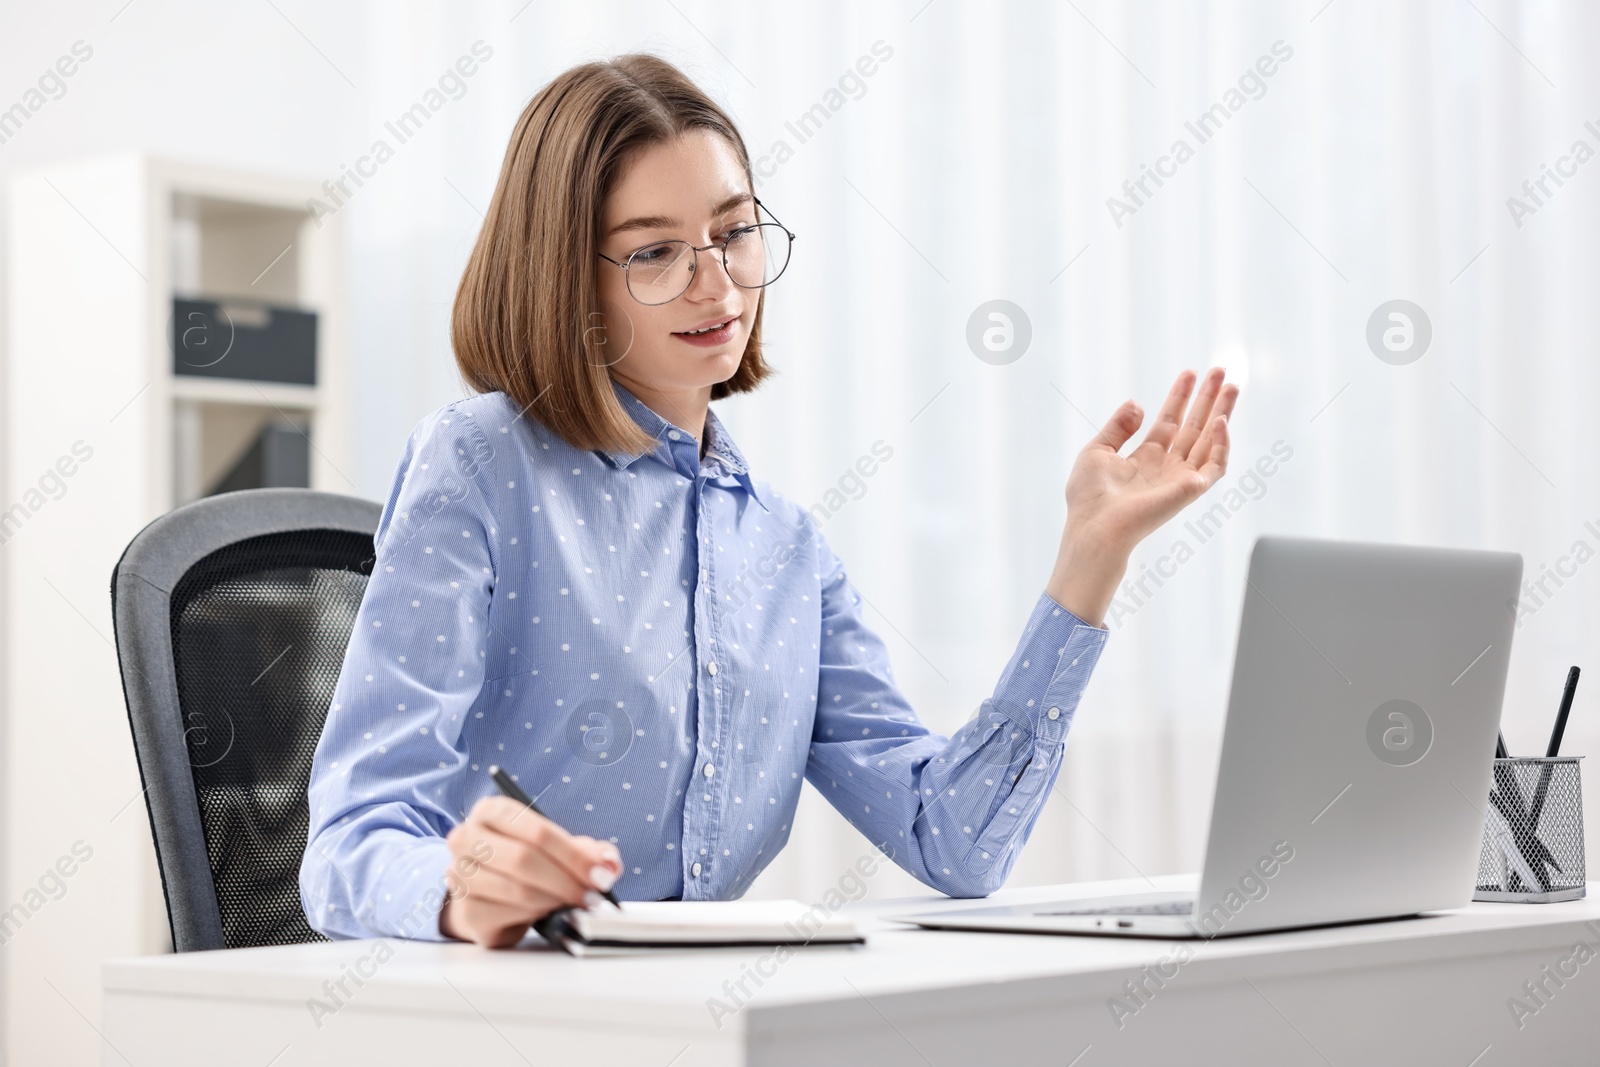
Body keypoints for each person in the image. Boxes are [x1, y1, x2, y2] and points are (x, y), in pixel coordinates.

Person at [298, 53, 1240, 949]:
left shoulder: (785, 546)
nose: (716, 282)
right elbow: (348, 848)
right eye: (654, 251)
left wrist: (1092, 554)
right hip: (508, 1014)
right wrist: (461, 892)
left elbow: (955, 841)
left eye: (734, 230)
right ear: (566, 279)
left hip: (701, 1019)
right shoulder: (482, 462)